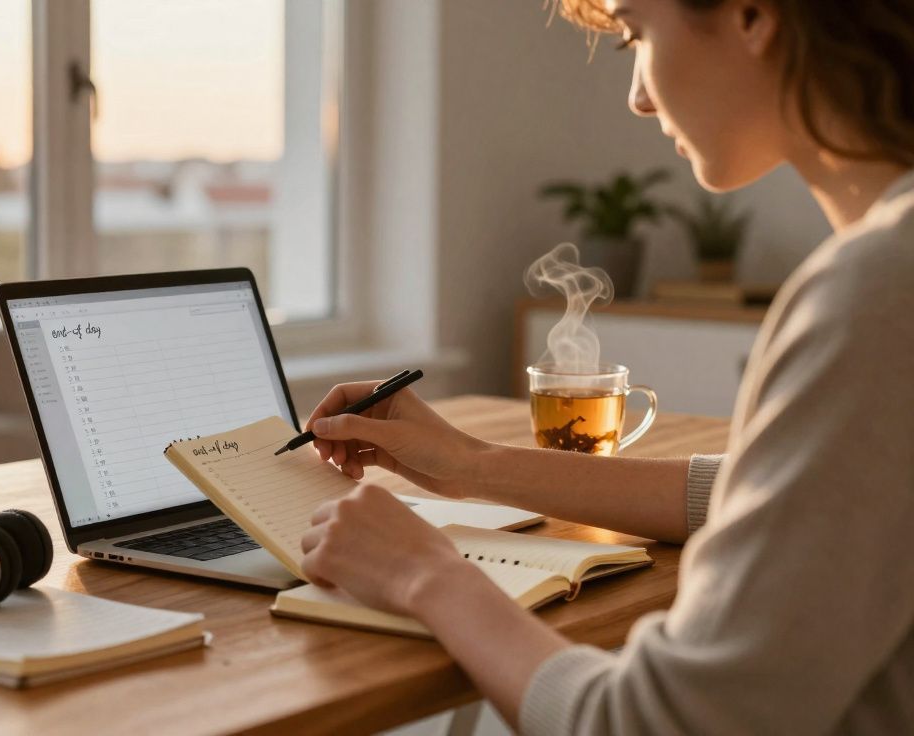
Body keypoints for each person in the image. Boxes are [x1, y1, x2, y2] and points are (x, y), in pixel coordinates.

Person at [298, 0, 914, 733]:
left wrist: (425, 573)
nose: (638, 96)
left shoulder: (878, 292)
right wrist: (471, 465)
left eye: (635, 36)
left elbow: (654, 722)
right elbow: (782, 495)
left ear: (753, 14)